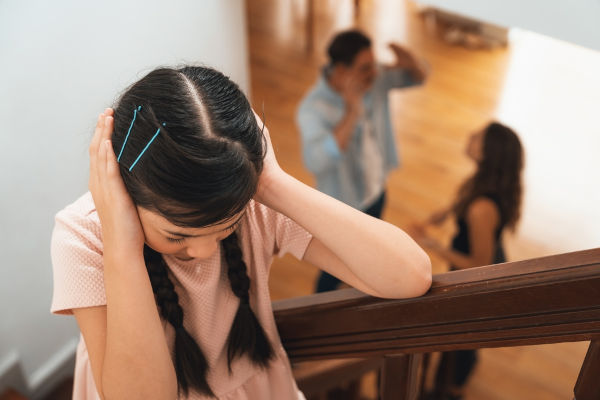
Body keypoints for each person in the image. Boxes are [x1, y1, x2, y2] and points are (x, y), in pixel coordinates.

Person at [50, 66, 432, 400]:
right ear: (127, 196)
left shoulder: (250, 202)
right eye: (178, 235)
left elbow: (409, 276)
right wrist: (122, 245)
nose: (202, 251)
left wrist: (273, 183)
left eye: (225, 228)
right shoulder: (82, 236)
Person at [296, 29, 427, 293]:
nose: (375, 72)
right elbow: (316, 162)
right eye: (365, 68)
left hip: (376, 189)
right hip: (342, 205)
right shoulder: (312, 108)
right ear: (342, 71)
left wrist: (409, 59)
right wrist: (352, 110)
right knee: (333, 268)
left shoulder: (374, 79)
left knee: (372, 249)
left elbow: (419, 79)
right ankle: (320, 307)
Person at [410, 122, 524, 400]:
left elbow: (478, 265)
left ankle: (454, 389)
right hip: (480, 255)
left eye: (478, 137)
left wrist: (432, 245)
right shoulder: (482, 183)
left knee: (463, 338)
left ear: (487, 154)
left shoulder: (481, 209)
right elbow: (459, 203)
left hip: (478, 274)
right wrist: (440, 215)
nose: (470, 135)